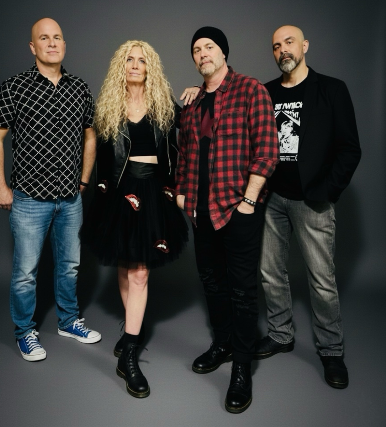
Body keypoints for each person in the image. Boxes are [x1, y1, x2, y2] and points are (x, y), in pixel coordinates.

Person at [176, 27, 279, 413]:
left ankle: (241, 366)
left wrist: (249, 200)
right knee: (212, 282)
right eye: (196, 49)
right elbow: (184, 152)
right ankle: (222, 344)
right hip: (200, 211)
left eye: (209, 47)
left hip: (238, 208)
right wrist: (182, 193)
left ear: (223, 53)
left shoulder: (251, 90)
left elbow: (267, 150)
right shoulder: (193, 102)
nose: (202, 53)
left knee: (241, 290)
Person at [0, 18, 101, 362]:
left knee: (69, 266)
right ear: (33, 47)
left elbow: (90, 136)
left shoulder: (79, 88)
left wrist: (83, 180)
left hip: (70, 199)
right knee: (25, 274)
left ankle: (68, 321)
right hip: (29, 200)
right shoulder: (15, 86)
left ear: (64, 45)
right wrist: (0, 186)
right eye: (44, 38)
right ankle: (25, 332)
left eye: (57, 37)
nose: (52, 43)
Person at [255, 25, 361, 389]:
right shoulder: (266, 92)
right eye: (276, 46)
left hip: (312, 201)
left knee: (321, 279)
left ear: (304, 46)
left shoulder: (331, 89)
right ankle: (280, 334)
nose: (282, 50)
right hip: (272, 199)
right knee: (270, 272)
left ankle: (331, 350)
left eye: (289, 42)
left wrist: (326, 191)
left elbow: (350, 148)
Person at [89, 40, 191, 398]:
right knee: (125, 265)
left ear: (150, 68)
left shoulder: (164, 105)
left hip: (153, 192)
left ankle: (129, 352)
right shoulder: (108, 106)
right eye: (129, 59)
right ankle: (133, 329)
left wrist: (198, 92)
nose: (135, 64)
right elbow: (98, 151)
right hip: (119, 191)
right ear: (122, 66)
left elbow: (196, 123)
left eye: (142, 60)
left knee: (140, 272)